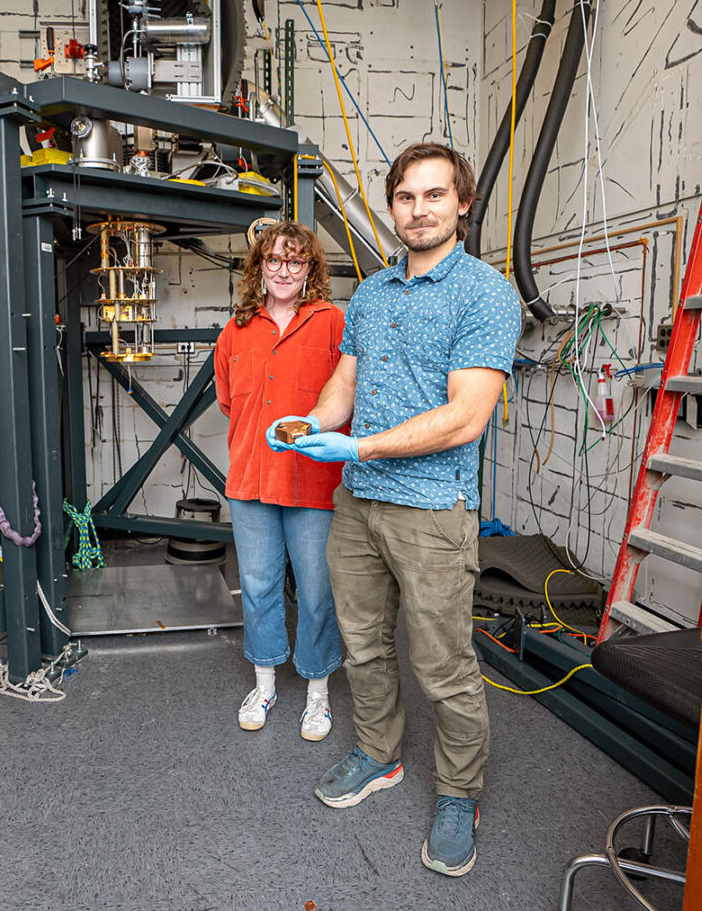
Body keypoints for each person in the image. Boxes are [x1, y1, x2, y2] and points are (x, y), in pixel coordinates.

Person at [268, 143, 521, 877]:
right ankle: (380, 753)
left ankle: (458, 792)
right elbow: (342, 387)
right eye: (406, 196)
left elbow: (466, 416)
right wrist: (314, 424)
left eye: (435, 195)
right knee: (365, 644)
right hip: (359, 507)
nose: (419, 209)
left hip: (433, 509)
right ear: (393, 205)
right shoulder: (372, 296)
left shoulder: (485, 294)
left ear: (462, 204)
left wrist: (360, 447)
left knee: (443, 664)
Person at [214, 221, 346, 742]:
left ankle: (318, 694)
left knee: (316, 591)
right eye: (274, 260)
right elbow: (229, 401)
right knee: (261, 587)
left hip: (313, 481)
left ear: (310, 268)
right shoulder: (236, 329)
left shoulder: (333, 322)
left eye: (295, 261)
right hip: (251, 478)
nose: (284, 270)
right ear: (259, 268)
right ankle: (264, 683)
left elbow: (348, 395)